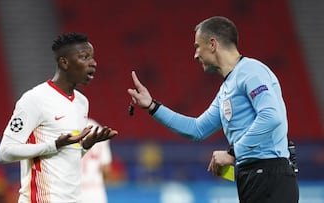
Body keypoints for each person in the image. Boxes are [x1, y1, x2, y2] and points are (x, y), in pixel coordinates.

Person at [127, 16, 299, 203]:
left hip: (270, 175)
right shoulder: (227, 88)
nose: (195, 54)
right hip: (252, 177)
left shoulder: (251, 71)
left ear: (212, 44)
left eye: (197, 46)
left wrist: (233, 152)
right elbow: (197, 129)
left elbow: (271, 117)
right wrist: (152, 106)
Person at [0, 32, 118, 203]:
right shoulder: (34, 99)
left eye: (92, 57)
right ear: (64, 62)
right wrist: (53, 144)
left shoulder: (82, 103)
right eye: (84, 57)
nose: (93, 63)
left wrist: (86, 146)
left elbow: (67, 156)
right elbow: (5, 152)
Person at [81, 118, 112, 203]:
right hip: (95, 191)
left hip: (72, 191)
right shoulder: (98, 128)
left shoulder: (68, 128)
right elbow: (106, 168)